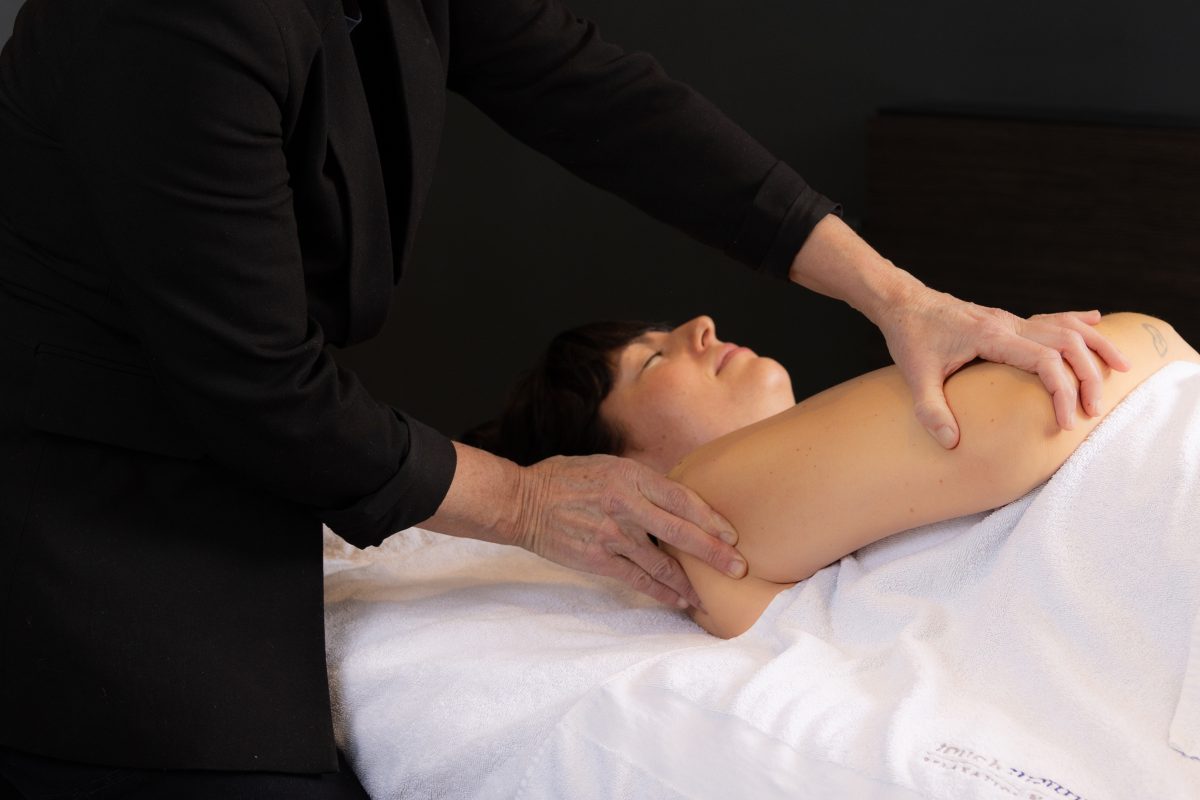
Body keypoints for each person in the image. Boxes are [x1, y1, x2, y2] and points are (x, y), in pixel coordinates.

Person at [0, 0, 1129, 793]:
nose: (702, 328)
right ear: (628, 466)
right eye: (649, 362)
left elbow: (602, 97)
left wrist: (900, 298)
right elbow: (257, 382)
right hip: (86, 479)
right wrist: (525, 501)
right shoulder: (170, 24)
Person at [463, 310, 1199, 638]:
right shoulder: (704, 503)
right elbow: (1063, 393)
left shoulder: (832, 481)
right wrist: (1142, 336)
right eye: (652, 360)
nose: (700, 327)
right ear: (612, 474)